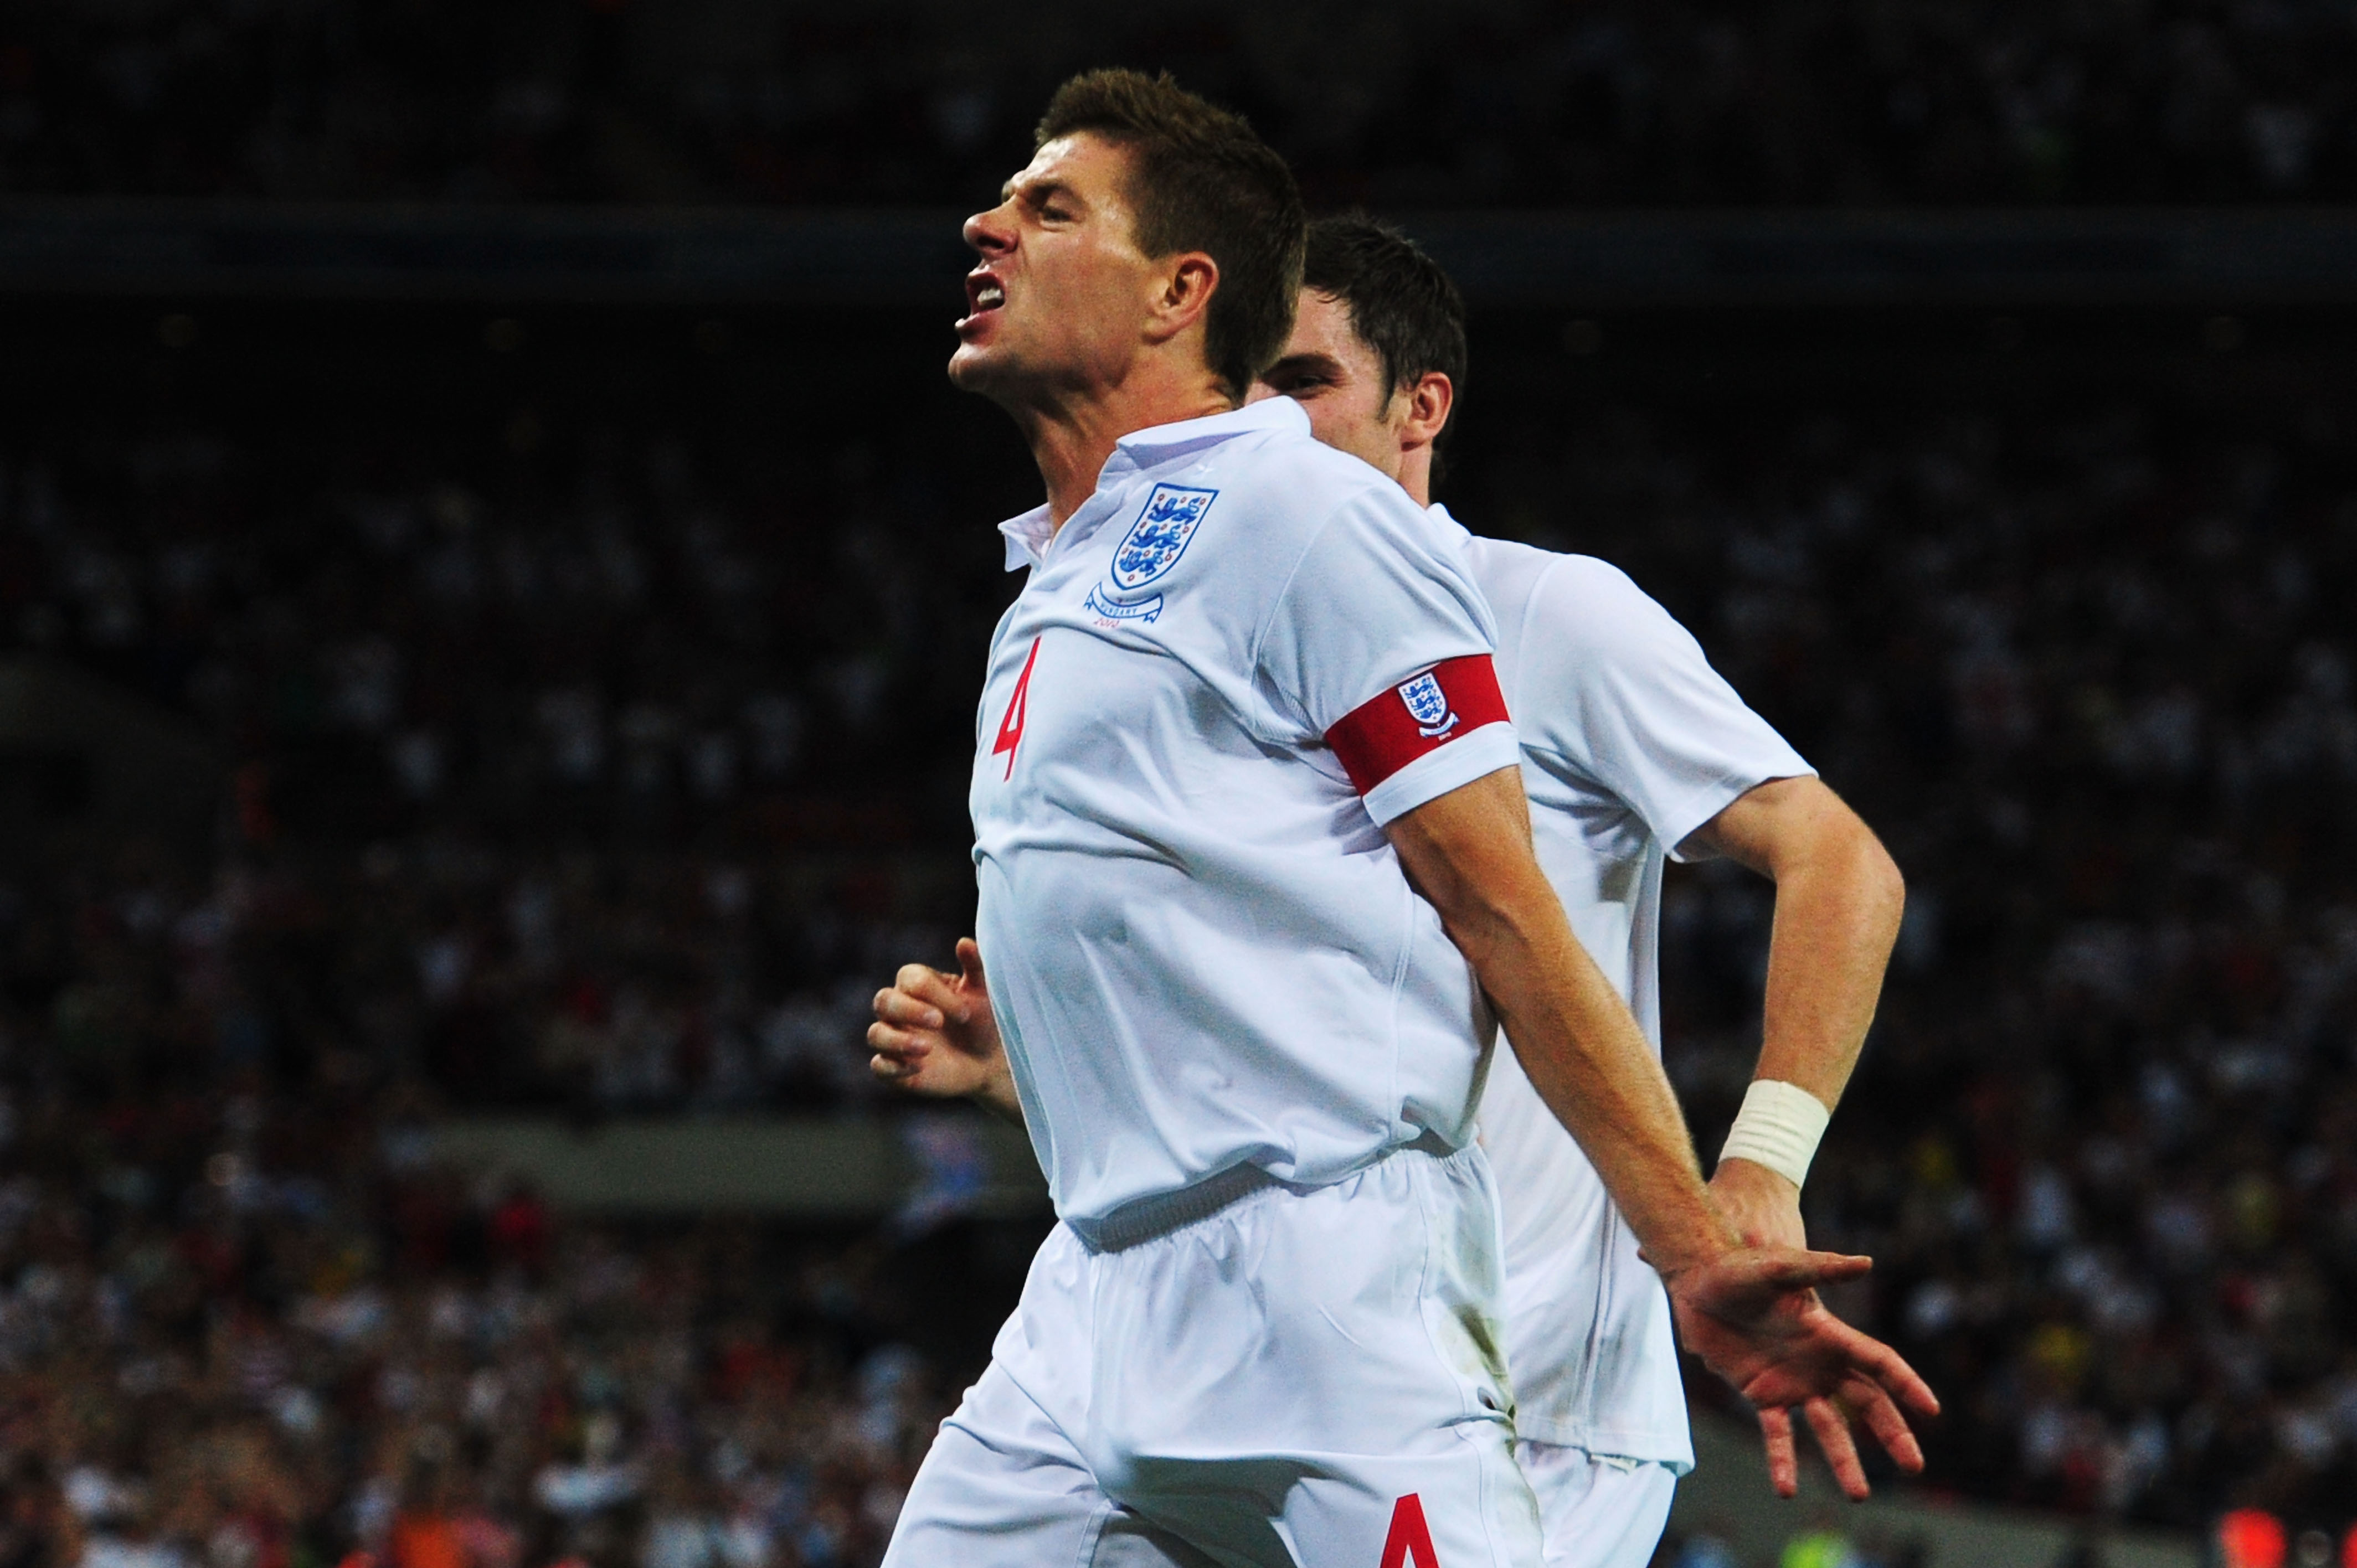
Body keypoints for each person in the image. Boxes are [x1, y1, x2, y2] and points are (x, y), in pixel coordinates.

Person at [871, 69, 1934, 1568]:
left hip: (1456, 1326)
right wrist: (1033, 1062)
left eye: (1304, 380)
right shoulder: (1078, 576)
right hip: (1112, 1282)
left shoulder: (1469, 583)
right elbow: (1265, 969)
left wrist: (1736, 1190)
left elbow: (1601, 896)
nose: (985, 224)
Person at [1250, 215, 1908, 1564]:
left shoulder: (1541, 614)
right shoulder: (1234, 666)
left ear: (1418, 407)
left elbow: (1839, 858)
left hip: (1529, 1408)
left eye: (1303, 380)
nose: (1262, 418)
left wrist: (1764, 1165)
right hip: (1288, 1390)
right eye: (1241, 384)